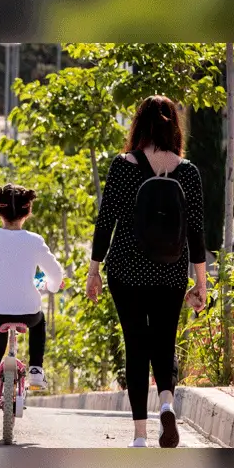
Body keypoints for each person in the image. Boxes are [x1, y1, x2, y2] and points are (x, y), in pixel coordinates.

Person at [87, 95, 207, 448]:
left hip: (126, 268)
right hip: (170, 272)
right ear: (175, 127)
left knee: (136, 346)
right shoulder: (188, 171)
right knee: (164, 341)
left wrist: (94, 271)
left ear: (138, 125)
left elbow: (105, 221)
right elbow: (196, 232)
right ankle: (167, 402)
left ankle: (140, 435)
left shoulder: (122, 165)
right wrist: (201, 282)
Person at [0, 184, 64, 427]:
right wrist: (51, 286)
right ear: (28, 212)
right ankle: (36, 369)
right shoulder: (34, 240)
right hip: (27, 310)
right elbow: (56, 273)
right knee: (40, 322)